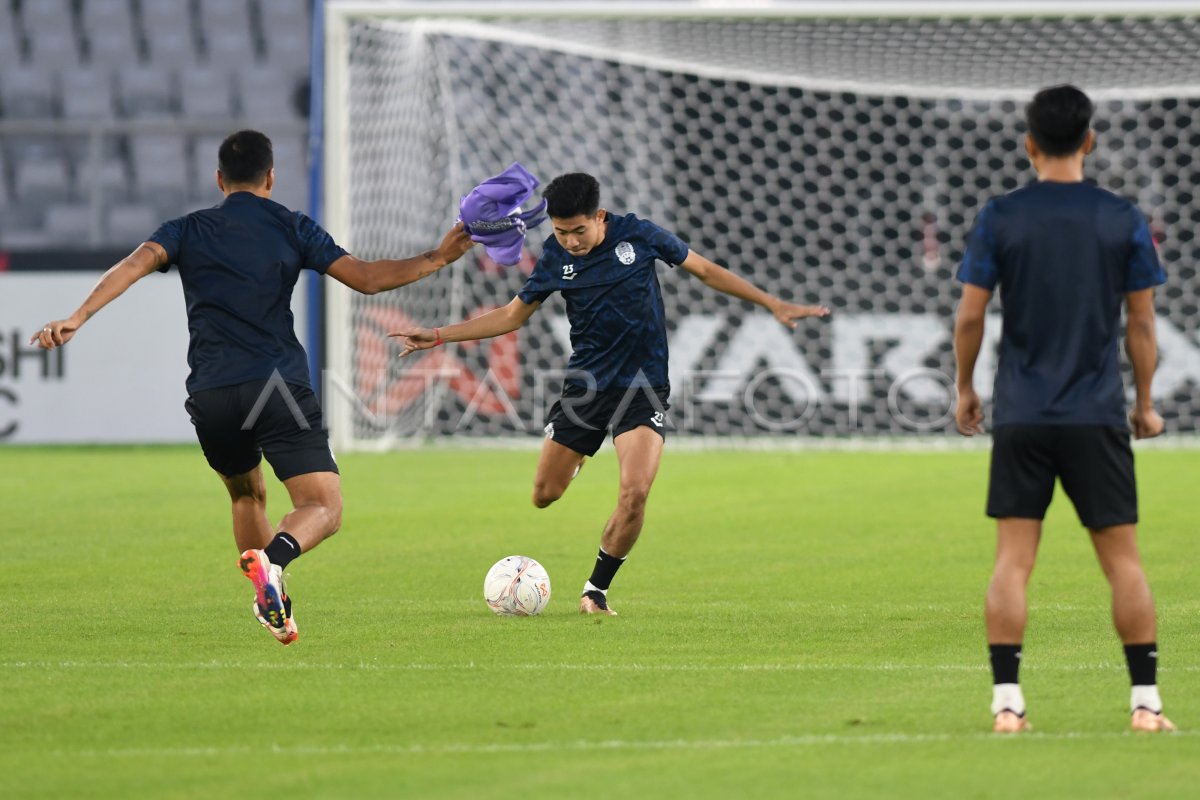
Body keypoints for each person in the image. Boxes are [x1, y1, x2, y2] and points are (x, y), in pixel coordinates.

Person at [32, 129, 473, 645]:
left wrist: (78, 316)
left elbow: (134, 264)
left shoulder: (187, 228)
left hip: (212, 394)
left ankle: (275, 605)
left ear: (219, 179)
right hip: (274, 385)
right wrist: (438, 257)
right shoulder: (291, 225)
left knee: (246, 494)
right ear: (271, 177)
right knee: (322, 507)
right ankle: (274, 562)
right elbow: (368, 279)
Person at [393, 172, 828, 615]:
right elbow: (510, 316)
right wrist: (439, 335)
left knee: (634, 492)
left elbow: (706, 271)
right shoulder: (554, 257)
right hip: (586, 390)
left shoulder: (638, 234)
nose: (572, 241)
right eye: (562, 233)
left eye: (579, 230)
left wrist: (771, 302)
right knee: (544, 494)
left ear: (599, 217)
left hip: (643, 388)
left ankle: (595, 591)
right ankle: (578, 455)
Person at [954, 86, 1174, 733]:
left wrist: (965, 388)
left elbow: (970, 314)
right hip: (1096, 413)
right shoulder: (1122, 217)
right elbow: (1141, 323)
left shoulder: (1000, 216)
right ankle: (1145, 705)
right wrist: (1146, 403)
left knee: (1013, 560)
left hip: (1022, 411)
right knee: (1123, 562)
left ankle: (1007, 706)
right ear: (1090, 140)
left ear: (1028, 144)